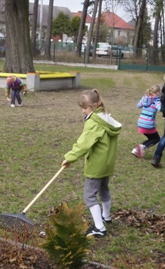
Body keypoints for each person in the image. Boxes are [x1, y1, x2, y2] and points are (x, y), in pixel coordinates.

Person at [62, 89, 122, 237]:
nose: (83, 111)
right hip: (107, 163)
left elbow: (84, 144)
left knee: (89, 195)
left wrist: (70, 158)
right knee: (104, 190)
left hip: (96, 165)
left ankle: (99, 227)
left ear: (94, 105)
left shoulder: (94, 123)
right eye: (81, 108)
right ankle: (106, 216)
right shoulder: (105, 118)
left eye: (85, 108)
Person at [131, 85, 161, 158]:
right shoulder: (156, 100)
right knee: (156, 138)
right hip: (148, 124)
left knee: (151, 138)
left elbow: (138, 105)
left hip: (141, 123)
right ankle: (139, 149)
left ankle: (137, 149)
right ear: (157, 92)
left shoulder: (145, 98)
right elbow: (160, 108)